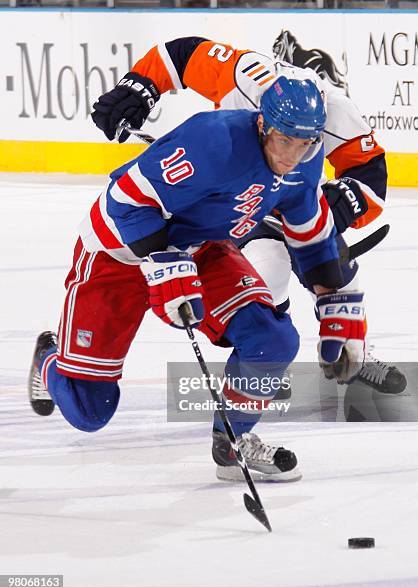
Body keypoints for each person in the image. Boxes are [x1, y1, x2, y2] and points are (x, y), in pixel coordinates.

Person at [28, 76, 366, 482]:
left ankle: (233, 441)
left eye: (306, 143)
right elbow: (124, 201)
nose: (294, 155)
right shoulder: (213, 141)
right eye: (285, 140)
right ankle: (49, 358)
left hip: (203, 249)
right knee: (89, 410)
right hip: (117, 253)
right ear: (263, 125)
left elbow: (310, 233)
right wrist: (165, 261)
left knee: (272, 340)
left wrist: (335, 297)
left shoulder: (305, 161)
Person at [91, 36, 406, 397]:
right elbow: (182, 55)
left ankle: (355, 354)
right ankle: (266, 365)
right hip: (234, 205)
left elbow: (370, 176)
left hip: (297, 202)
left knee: (340, 277)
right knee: (265, 268)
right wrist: (139, 86)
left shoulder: (337, 110)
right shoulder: (245, 73)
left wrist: (338, 208)